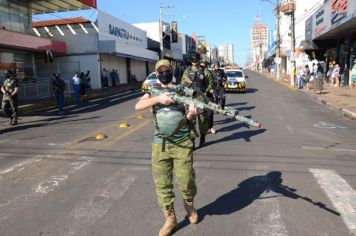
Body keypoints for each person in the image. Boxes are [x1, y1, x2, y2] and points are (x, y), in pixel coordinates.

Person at [135, 59, 199, 236]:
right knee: (162, 185)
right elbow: (138, 106)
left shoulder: (182, 90)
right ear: (157, 74)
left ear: (172, 71)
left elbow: (190, 113)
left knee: (186, 180)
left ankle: (189, 205)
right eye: (161, 71)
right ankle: (170, 219)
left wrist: (192, 114)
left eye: (167, 71)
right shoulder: (151, 91)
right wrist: (158, 99)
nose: (164, 74)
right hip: (160, 145)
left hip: (182, 143)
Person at [181, 53, 214, 147]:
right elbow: (183, 84)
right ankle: (192, 141)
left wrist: (204, 91)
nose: (194, 62)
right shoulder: (187, 71)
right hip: (190, 98)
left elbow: (211, 83)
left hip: (201, 99)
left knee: (202, 120)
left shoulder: (204, 71)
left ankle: (203, 136)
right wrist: (189, 88)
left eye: (196, 60)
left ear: (199, 60)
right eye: (193, 60)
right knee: (191, 120)